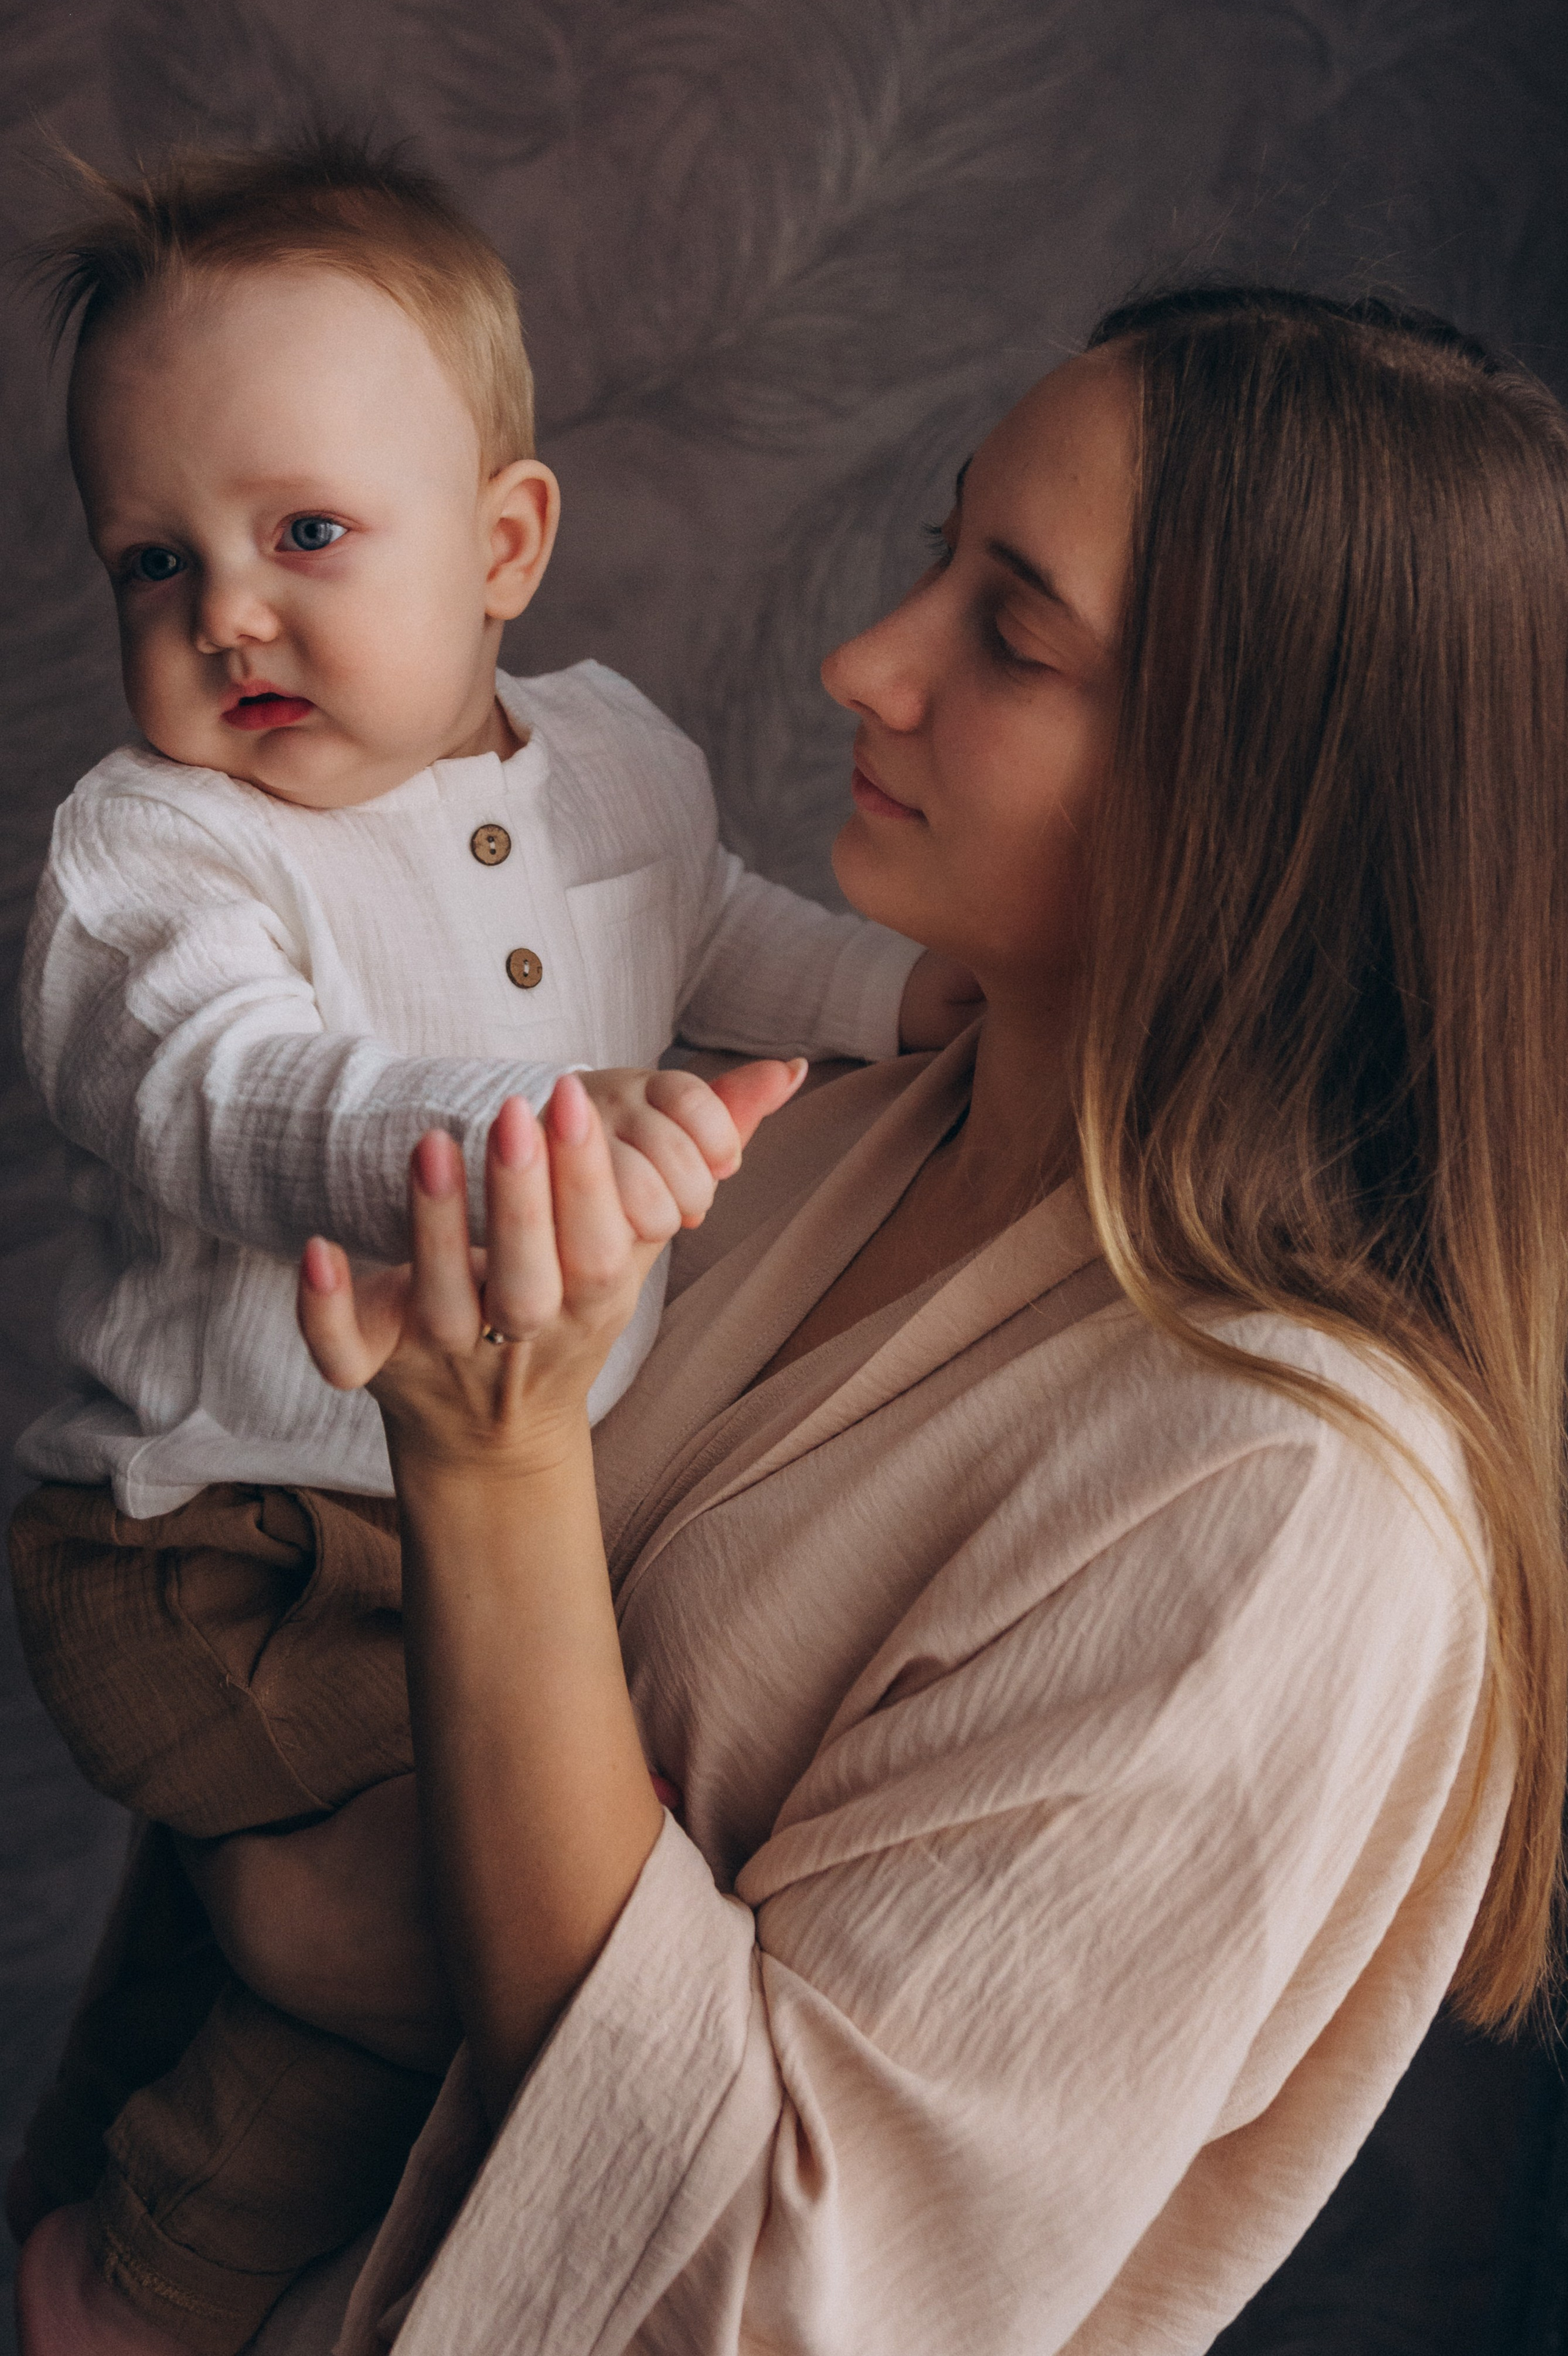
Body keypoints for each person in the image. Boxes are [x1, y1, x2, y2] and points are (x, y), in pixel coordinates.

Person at [23, 286, 1568, 2355]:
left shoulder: (1292, 1516)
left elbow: (768, 2300)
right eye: (937, 556)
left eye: (1011, 631)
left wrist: (490, 1474)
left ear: (1269, 795)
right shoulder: (827, 1144)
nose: (870, 662)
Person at [4, 134, 979, 2356]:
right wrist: (516, 1131)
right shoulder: (149, 862)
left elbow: (720, 933)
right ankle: (124, 2288)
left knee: (464, 1910)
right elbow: (227, 1090)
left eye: (305, 534)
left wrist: (899, 999)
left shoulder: (618, 763)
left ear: (506, 541)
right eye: (152, 560)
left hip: (452, 1521)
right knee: (446, 1928)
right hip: (209, 1552)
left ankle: (142, 2203)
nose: (225, 611)